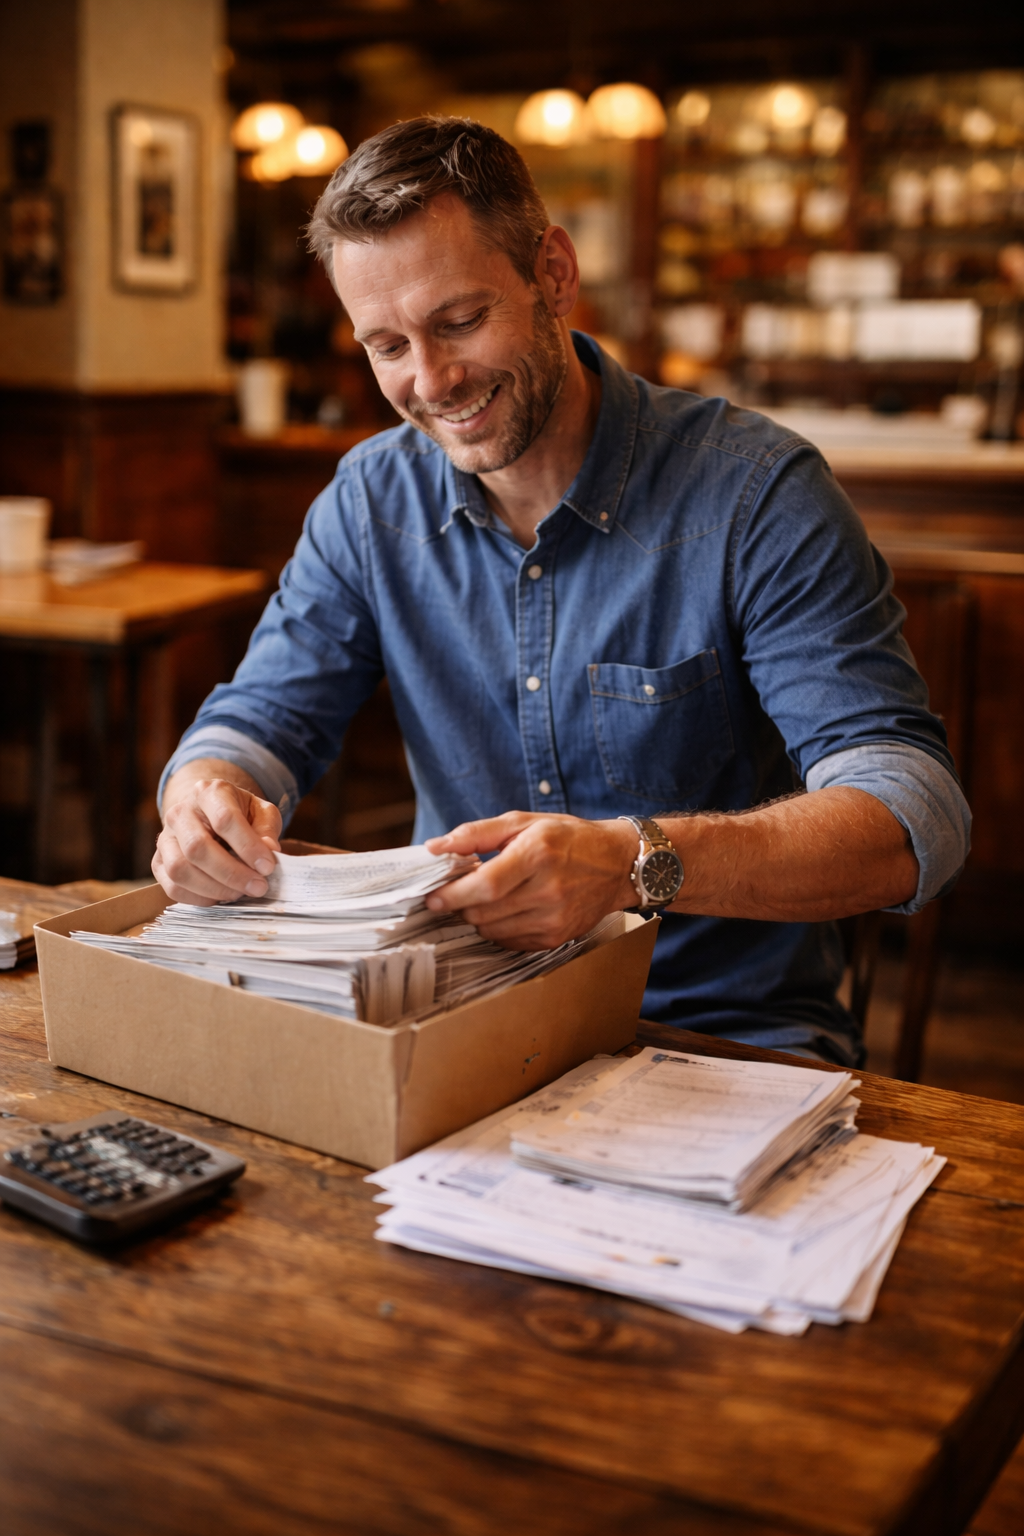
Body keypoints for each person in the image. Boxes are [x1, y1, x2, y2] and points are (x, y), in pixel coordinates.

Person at [154, 117, 970, 1066]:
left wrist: (633, 864)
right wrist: (207, 793)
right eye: (386, 346)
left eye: (459, 321)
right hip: (455, 1017)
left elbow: (914, 818)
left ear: (553, 273)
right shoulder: (371, 499)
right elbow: (259, 720)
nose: (433, 380)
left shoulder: (755, 495)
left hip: (716, 1038)